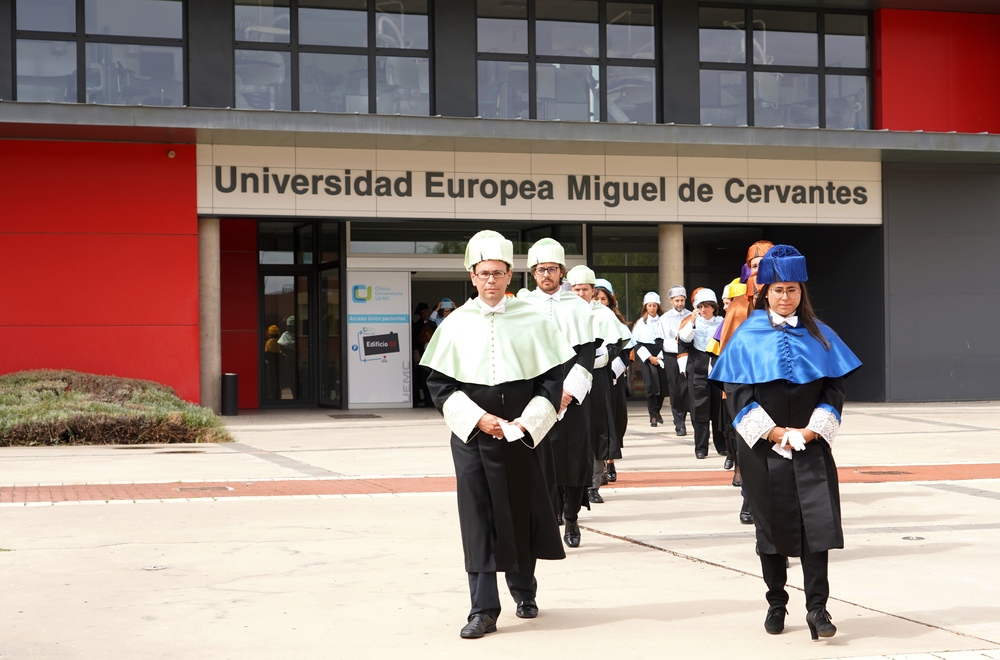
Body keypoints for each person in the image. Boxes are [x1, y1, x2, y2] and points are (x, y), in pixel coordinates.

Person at [420, 230, 575, 640]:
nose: (491, 280)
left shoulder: (533, 319)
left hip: (522, 435)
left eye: (499, 273)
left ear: (509, 276)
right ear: (472, 276)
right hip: (474, 437)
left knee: (521, 511)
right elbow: (439, 386)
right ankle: (483, 609)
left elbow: (550, 381)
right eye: (484, 273)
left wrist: (527, 423)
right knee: (479, 519)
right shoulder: (454, 324)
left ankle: (524, 590)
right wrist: (478, 420)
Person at [709, 245, 861, 641]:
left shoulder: (822, 336)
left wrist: (810, 432)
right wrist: (775, 434)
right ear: (765, 293)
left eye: (792, 290)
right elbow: (739, 397)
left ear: (801, 292)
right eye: (777, 290)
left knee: (818, 526)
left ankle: (818, 609)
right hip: (763, 448)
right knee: (772, 530)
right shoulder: (746, 335)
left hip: (811, 444)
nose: (784, 297)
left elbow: (834, 391)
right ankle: (776, 602)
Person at [523, 238, 596, 549]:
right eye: (540, 270)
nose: (546, 275)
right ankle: (550, 513)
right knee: (541, 458)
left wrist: (567, 393)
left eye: (552, 269)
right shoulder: (522, 307)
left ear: (562, 272)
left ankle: (573, 515)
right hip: (535, 392)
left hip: (571, 395)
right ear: (532, 273)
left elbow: (587, 353)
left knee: (573, 458)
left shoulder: (577, 306)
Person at [567, 266, 631, 504]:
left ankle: (594, 484)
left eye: (585, 289)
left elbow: (618, 343)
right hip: (568, 377)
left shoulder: (603, 313)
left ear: (592, 290)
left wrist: (604, 356)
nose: (580, 293)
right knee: (572, 432)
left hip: (597, 378)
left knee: (596, 430)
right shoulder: (562, 311)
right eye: (576, 289)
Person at [678, 288, 724, 459]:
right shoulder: (692, 321)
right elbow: (683, 341)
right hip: (697, 369)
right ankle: (701, 447)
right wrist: (692, 323)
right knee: (699, 410)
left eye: (707, 306)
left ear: (714, 307)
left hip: (718, 369)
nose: (704, 310)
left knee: (719, 409)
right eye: (700, 306)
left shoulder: (722, 322)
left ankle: (721, 445)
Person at [594, 278, 631, 483]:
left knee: (615, 421)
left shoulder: (616, 322)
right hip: (596, 376)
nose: (599, 302)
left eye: (603, 298)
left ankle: (610, 461)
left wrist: (614, 371)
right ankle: (599, 467)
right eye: (595, 298)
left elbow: (626, 351)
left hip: (614, 378)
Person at [631, 292, 669, 428]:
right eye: (649, 305)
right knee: (650, 385)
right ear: (645, 307)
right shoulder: (640, 323)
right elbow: (636, 343)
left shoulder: (664, 320)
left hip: (661, 353)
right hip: (646, 356)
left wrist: (660, 356)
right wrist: (649, 358)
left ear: (657, 306)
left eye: (654, 305)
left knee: (662, 385)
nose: (652, 308)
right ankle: (652, 414)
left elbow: (667, 338)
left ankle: (657, 410)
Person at [660, 286, 692, 436]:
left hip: (687, 355)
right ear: (671, 301)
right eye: (676, 300)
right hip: (671, 356)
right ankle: (679, 423)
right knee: (674, 389)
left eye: (682, 300)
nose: (679, 303)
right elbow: (660, 340)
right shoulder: (665, 318)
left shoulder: (691, 315)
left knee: (686, 388)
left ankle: (686, 418)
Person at [412, 302, 435, 407]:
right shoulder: (417, 325)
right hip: (423, 355)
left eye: (426, 311)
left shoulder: (435, 322)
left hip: (435, 355)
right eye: (423, 312)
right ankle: (427, 400)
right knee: (424, 378)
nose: (425, 313)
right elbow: (415, 341)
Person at [263, 324, 281, 400]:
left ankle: (271, 397)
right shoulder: (280, 341)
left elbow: (267, 352)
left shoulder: (269, 342)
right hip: (279, 363)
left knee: (271, 381)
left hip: (270, 364)